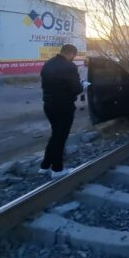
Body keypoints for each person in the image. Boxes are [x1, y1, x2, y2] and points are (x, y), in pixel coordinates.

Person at [39, 44, 83, 179]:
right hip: (64, 106)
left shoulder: (47, 64)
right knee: (60, 137)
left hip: (48, 105)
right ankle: (57, 169)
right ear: (72, 54)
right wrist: (83, 85)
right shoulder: (69, 66)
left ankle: (45, 166)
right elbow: (76, 89)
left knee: (55, 135)